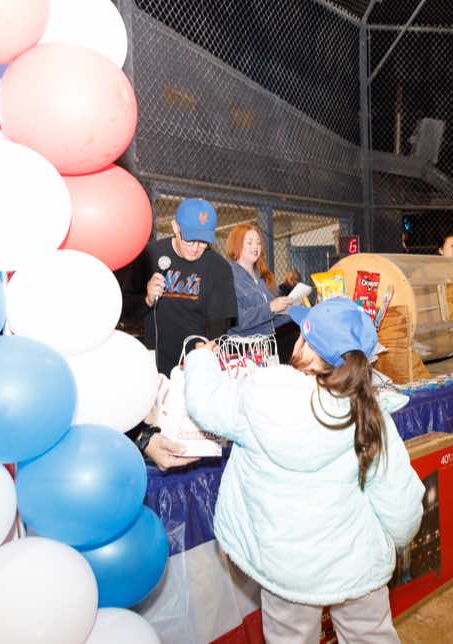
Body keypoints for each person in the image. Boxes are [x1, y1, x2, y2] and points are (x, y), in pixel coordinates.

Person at [183, 298, 425, 643]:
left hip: (285, 568)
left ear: (306, 346)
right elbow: (400, 502)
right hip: (356, 564)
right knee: (371, 635)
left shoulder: (259, 395)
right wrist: (394, 541)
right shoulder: (371, 416)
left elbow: (205, 404)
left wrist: (201, 360)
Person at [117, 198, 238, 470]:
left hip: (193, 367)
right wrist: (146, 298)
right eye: (190, 239)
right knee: (156, 442)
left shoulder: (218, 268)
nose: (196, 248)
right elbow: (123, 311)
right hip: (154, 367)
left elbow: (219, 327)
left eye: (203, 241)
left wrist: (206, 355)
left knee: (191, 447)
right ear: (174, 227)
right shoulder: (149, 256)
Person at [224, 223, 297, 362]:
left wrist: (295, 312)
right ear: (237, 245)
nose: (255, 247)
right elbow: (235, 321)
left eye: (258, 243)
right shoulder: (228, 277)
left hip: (266, 348)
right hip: (242, 352)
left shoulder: (260, 279)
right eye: (249, 243)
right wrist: (270, 308)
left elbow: (269, 320)